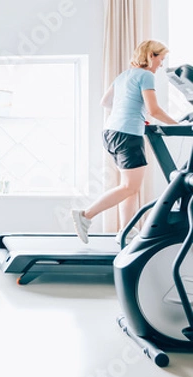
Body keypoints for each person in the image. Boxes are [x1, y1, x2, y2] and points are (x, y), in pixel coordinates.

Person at [72, 40, 179, 244]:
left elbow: (105, 102)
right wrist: (177, 126)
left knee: (129, 185)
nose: (161, 65)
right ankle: (85, 215)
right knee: (130, 186)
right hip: (128, 135)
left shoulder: (124, 75)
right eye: (161, 59)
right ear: (151, 56)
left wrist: (131, 112)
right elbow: (153, 110)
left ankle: (126, 230)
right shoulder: (146, 75)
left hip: (111, 132)